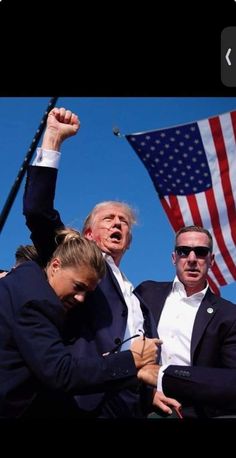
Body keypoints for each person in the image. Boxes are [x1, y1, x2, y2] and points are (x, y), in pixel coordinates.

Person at [23, 106, 168, 418]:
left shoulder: (137, 296)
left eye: (123, 222)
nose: (116, 224)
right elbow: (37, 212)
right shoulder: (75, 260)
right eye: (108, 219)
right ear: (88, 232)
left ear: (129, 239)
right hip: (81, 400)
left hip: (130, 405)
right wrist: (53, 141)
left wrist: (149, 393)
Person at [0, 226, 158, 418]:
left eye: (87, 293)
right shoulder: (36, 302)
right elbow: (60, 373)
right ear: (55, 266)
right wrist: (131, 360)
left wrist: (129, 374)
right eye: (78, 287)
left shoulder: (22, 283)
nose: (81, 298)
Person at [136, 225, 236, 418]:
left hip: (196, 412)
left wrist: (164, 375)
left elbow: (231, 379)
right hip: (142, 404)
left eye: (200, 252)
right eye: (184, 251)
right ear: (174, 258)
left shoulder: (229, 314)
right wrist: (148, 393)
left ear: (211, 260)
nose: (191, 259)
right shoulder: (146, 293)